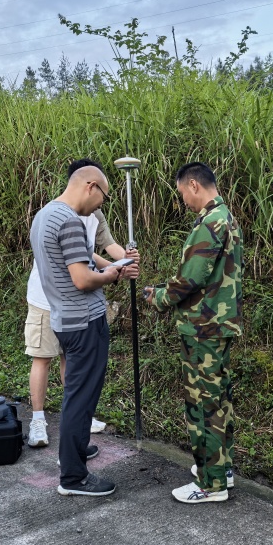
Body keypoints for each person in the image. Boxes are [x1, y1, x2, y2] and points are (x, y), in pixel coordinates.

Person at [31, 165, 139, 497]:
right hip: (83, 321)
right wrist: (113, 275)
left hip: (65, 319)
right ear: (91, 186)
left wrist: (108, 268)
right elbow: (82, 279)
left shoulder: (43, 215)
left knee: (77, 397)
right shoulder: (69, 221)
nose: (101, 206)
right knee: (80, 400)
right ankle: (74, 477)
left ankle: (76, 450)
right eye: (103, 198)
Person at [144, 162, 243, 504]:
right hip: (216, 325)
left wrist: (157, 297)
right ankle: (221, 469)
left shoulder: (210, 223)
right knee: (218, 401)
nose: (183, 200)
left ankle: (211, 484)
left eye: (182, 193)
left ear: (193, 185)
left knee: (203, 404)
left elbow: (190, 279)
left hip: (203, 328)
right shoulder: (225, 217)